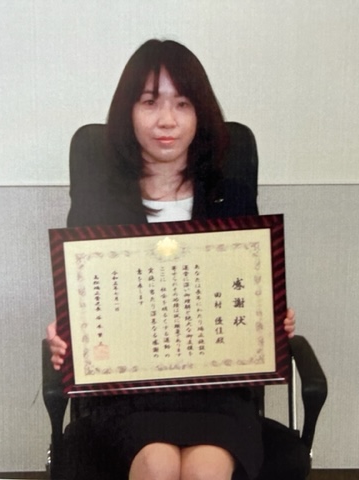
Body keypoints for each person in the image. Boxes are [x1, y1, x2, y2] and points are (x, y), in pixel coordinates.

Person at [46, 39, 296, 480]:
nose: (167, 120)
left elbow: (242, 289)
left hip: (216, 392)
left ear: (200, 114)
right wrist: (68, 335)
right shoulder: (99, 200)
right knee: (157, 465)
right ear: (128, 112)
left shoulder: (230, 192)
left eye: (182, 104)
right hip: (129, 393)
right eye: (150, 102)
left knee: (205, 472)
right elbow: (90, 298)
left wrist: (270, 319)